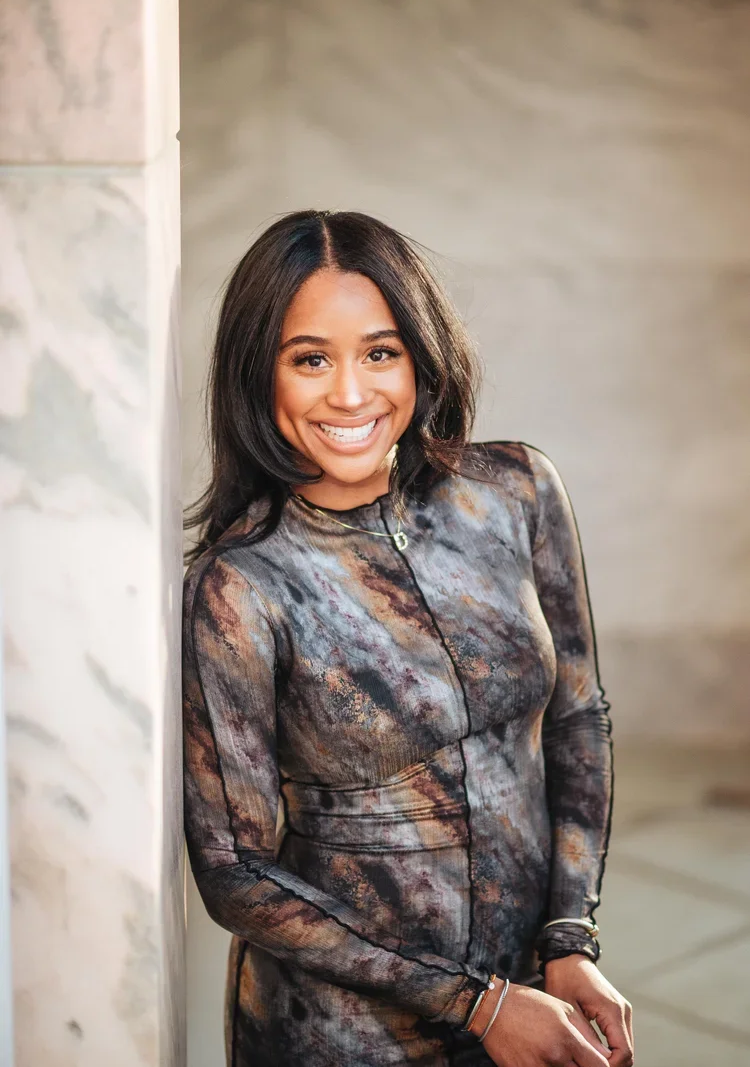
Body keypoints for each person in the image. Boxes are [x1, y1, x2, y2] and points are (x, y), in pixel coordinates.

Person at [182, 209, 634, 1067]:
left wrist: (569, 935)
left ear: (421, 357)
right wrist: (476, 1004)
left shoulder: (515, 491)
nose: (350, 393)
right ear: (260, 378)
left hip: (531, 999)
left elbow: (577, 716)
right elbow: (234, 870)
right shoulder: (242, 585)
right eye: (310, 358)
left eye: (379, 351)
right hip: (342, 1035)